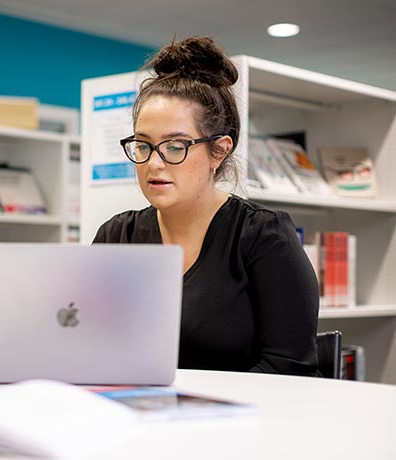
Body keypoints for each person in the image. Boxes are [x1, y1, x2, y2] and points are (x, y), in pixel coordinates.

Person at [93, 36, 320, 376]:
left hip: (240, 421)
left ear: (219, 150)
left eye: (175, 146)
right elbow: (87, 342)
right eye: (142, 145)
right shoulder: (117, 236)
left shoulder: (263, 237)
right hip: (134, 414)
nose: (154, 163)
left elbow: (289, 368)